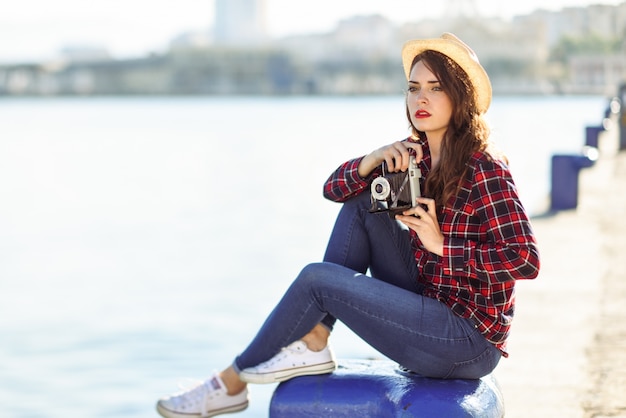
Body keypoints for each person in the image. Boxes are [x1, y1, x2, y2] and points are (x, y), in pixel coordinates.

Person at [156, 33, 540, 418]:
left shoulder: (485, 167)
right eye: (413, 88)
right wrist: (370, 160)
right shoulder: (413, 158)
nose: (420, 99)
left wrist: (440, 244)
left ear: (461, 98)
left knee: (317, 279)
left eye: (435, 88)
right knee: (361, 204)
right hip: (429, 304)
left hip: (467, 341)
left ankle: (231, 382)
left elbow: (525, 260)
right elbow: (333, 190)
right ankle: (317, 336)